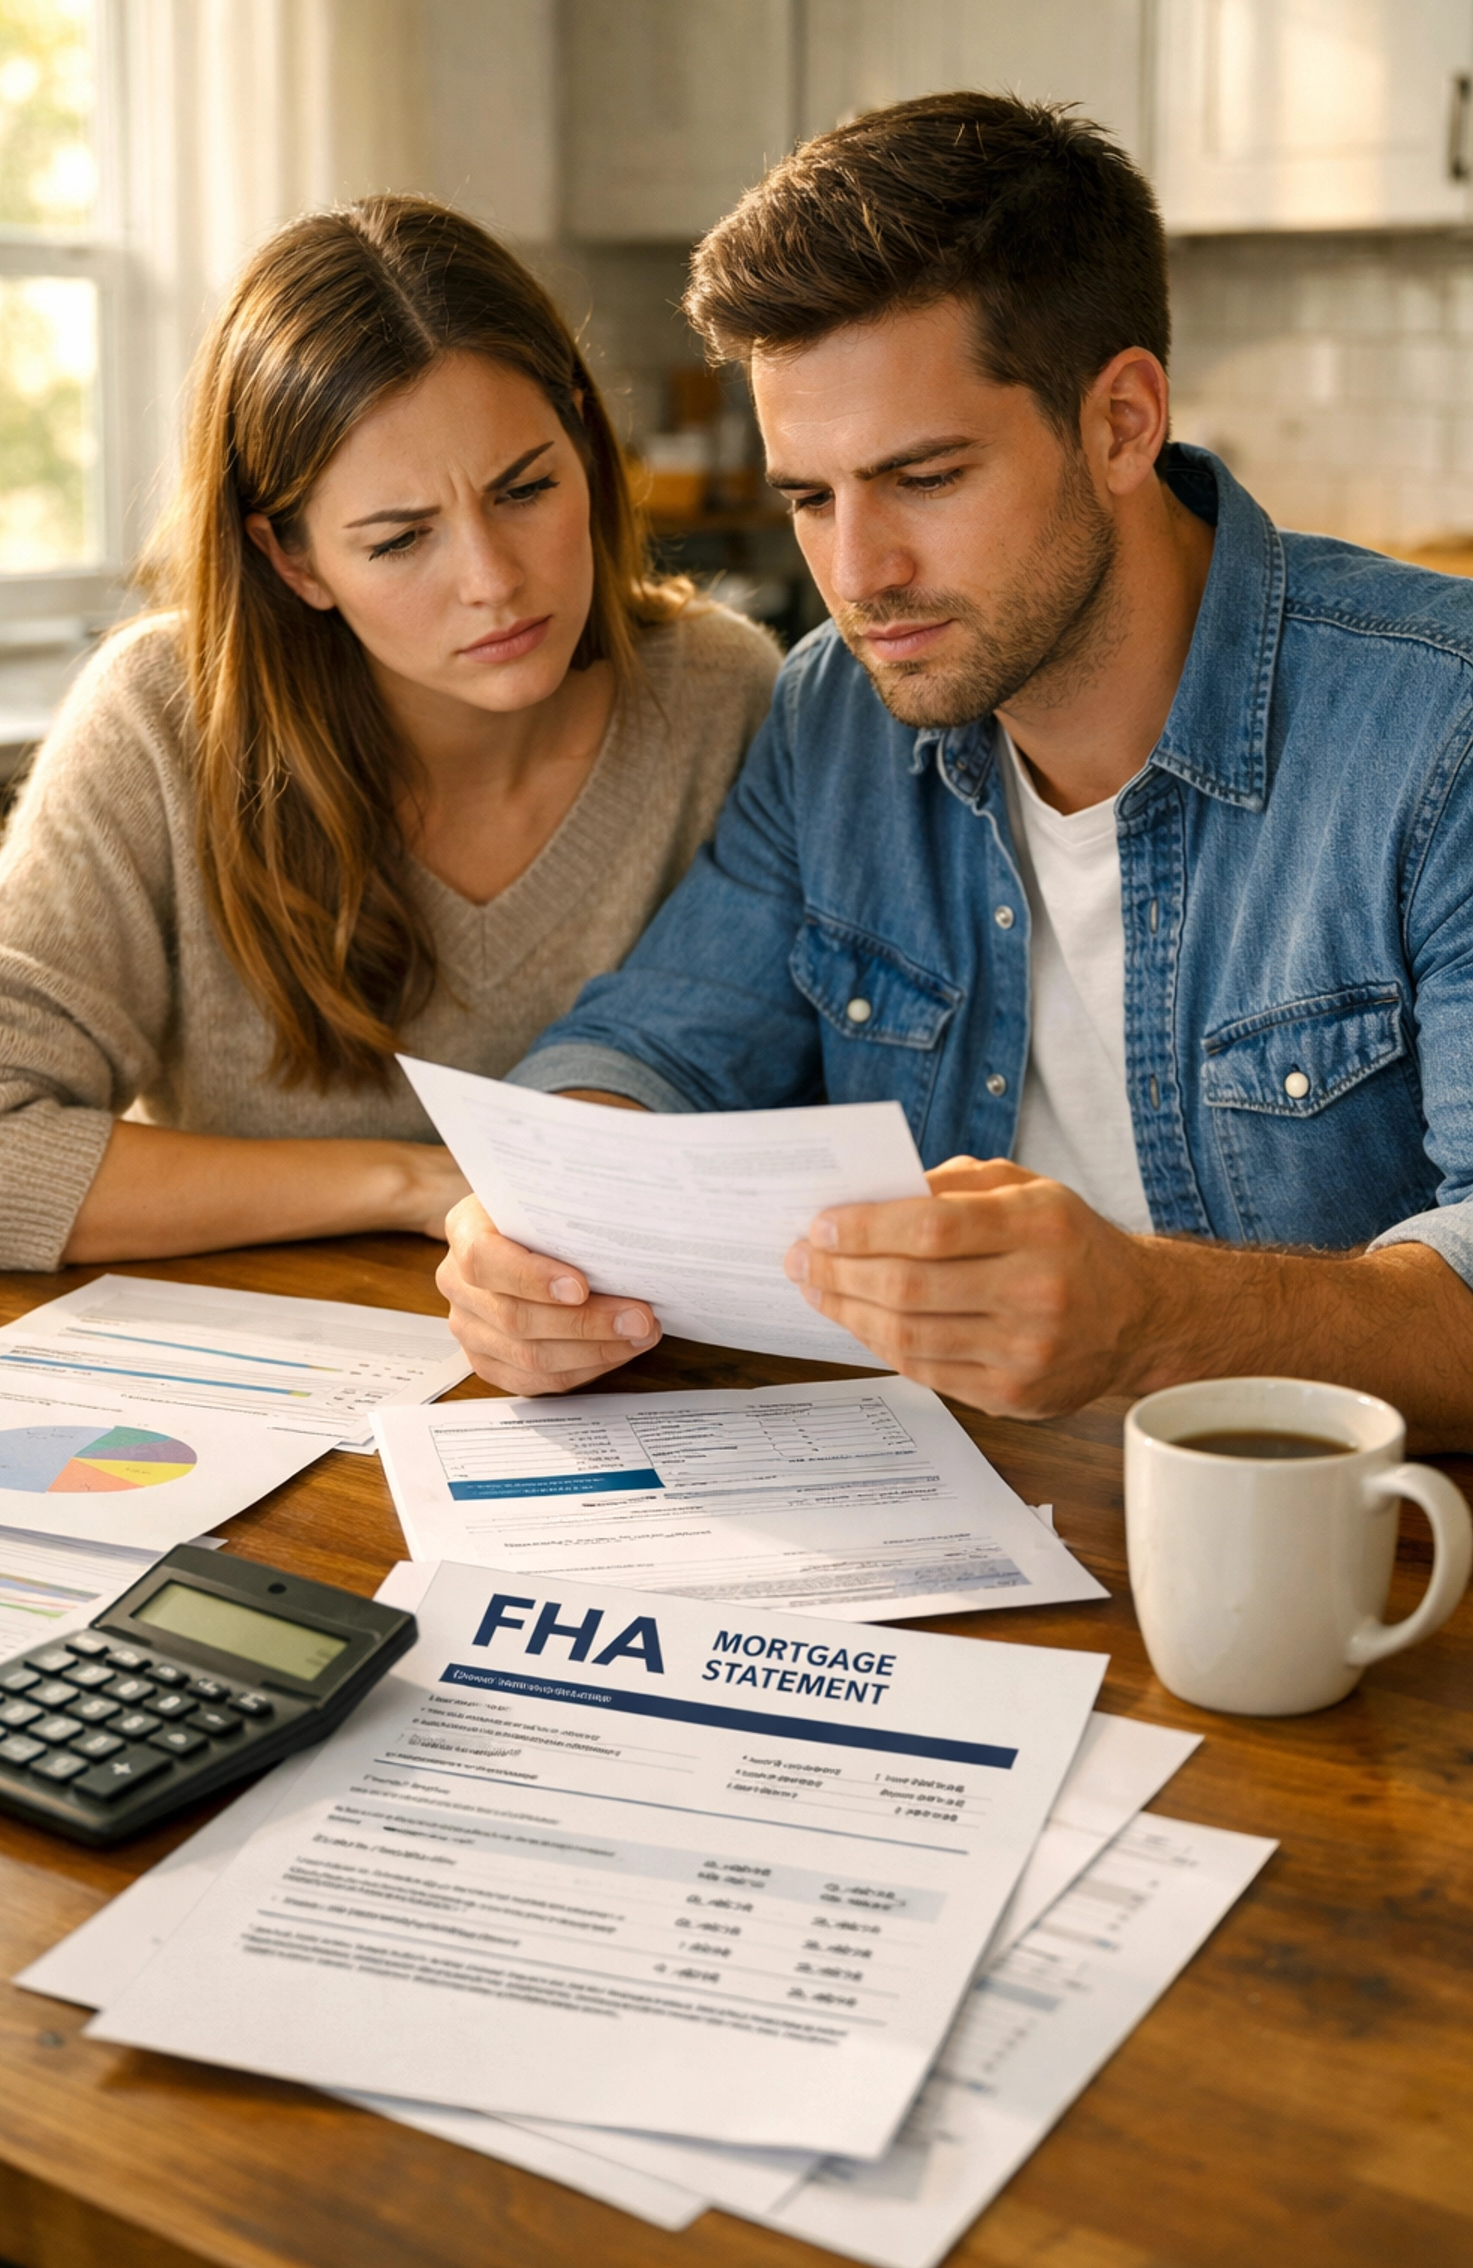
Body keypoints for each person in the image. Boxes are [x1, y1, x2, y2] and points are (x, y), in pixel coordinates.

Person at [437, 93, 1473, 1453]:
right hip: (960, 1517)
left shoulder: (1437, 729)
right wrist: (527, 1217)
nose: (859, 576)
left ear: (1120, 423)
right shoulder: (835, 716)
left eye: (923, 476)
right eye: (811, 498)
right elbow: (655, 1044)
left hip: (1343, 1574)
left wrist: (1152, 1314)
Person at [0, 195, 779, 1272]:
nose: (493, 582)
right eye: (398, 540)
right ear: (294, 562)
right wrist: (419, 1182)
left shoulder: (720, 693)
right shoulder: (167, 719)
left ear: (584, 438)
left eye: (525, 489)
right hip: (263, 1397)